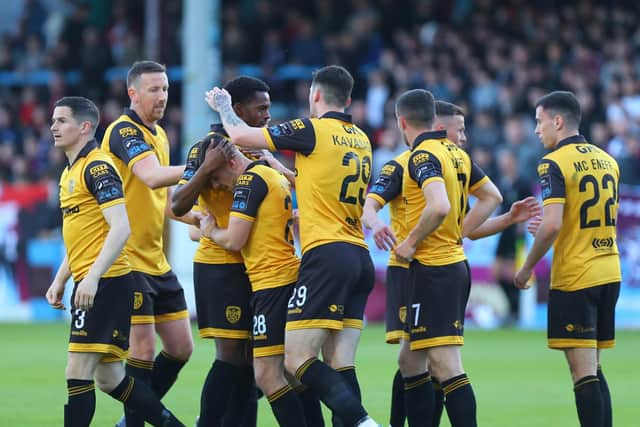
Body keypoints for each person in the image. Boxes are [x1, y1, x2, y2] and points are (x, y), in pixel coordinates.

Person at [205, 65, 380, 427]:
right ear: (347, 99)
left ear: (314, 95)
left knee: (296, 360)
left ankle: (363, 422)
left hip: (326, 255)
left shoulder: (310, 129)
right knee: (340, 363)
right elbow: (321, 183)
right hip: (359, 256)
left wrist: (223, 106)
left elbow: (240, 135)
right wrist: (282, 170)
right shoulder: (361, 138)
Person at [45, 96, 184, 427]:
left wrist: (91, 278)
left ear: (84, 127)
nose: (53, 126)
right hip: (93, 279)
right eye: (53, 120)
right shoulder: (71, 172)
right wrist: (61, 278)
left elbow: (121, 227)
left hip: (106, 282)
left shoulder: (97, 166)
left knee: (77, 371)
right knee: (110, 378)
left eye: (61, 120)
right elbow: (84, 234)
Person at [393, 89, 502, 427]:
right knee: (410, 361)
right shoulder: (457, 155)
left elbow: (439, 206)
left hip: (435, 269)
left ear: (402, 122)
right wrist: (460, 231)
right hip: (448, 265)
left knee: (446, 366)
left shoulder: (422, 154)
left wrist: (411, 240)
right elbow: (492, 196)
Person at [171, 76, 274, 426]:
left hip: (256, 265)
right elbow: (176, 205)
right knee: (230, 356)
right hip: (221, 265)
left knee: (252, 358)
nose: (267, 116)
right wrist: (206, 170)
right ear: (238, 109)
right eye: (261, 109)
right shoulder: (208, 147)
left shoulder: (258, 148)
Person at [515, 91, 620, 427]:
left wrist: (527, 266)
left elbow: (554, 224)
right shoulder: (608, 160)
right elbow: (574, 222)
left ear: (557, 122)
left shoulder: (553, 163)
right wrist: (549, 228)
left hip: (577, 275)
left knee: (581, 371)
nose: (536, 130)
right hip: (609, 269)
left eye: (539, 121)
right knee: (594, 367)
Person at [100, 60, 195, 427]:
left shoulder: (159, 134)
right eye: (154, 90)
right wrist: (202, 167)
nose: (162, 97)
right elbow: (152, 177)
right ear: (133, 93)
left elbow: (167, 202)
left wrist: (197, 217)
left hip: (155, 260)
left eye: (166, 89)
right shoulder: (124, 132)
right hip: (126, 259)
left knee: (181, 347)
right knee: (142, 348)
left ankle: (132, 420)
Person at [195, 140, 309, 427]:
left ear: (232, 164)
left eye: (220, 179)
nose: (221, 188)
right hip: (282, 278)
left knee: (268, 374)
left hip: (273, 283)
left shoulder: (251, 179)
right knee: (291, 372)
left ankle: (357, 418)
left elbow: (233, 239)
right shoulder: (274, 175)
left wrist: (210, 230)